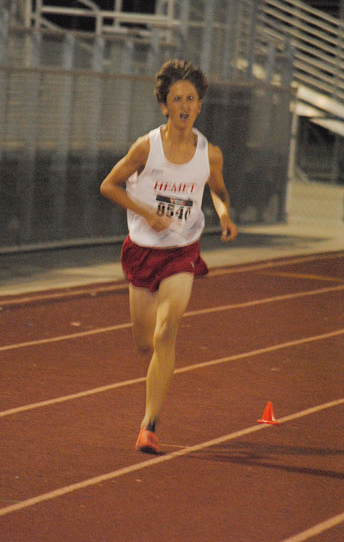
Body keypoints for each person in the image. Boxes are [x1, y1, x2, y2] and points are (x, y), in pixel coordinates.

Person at [100, 59, 238, 454]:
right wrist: (146, 213)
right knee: (145, 342)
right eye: (176, 98)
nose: (184, 105)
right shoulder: (147, 147)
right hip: (143, 251)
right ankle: (151, 403)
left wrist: (225, 214)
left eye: (191, 98)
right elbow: (108, 185)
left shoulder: (210, 153)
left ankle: (149, 424)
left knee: (167, 331)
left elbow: (218, 190)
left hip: (183, 250)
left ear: (199, 105)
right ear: (164, 105)